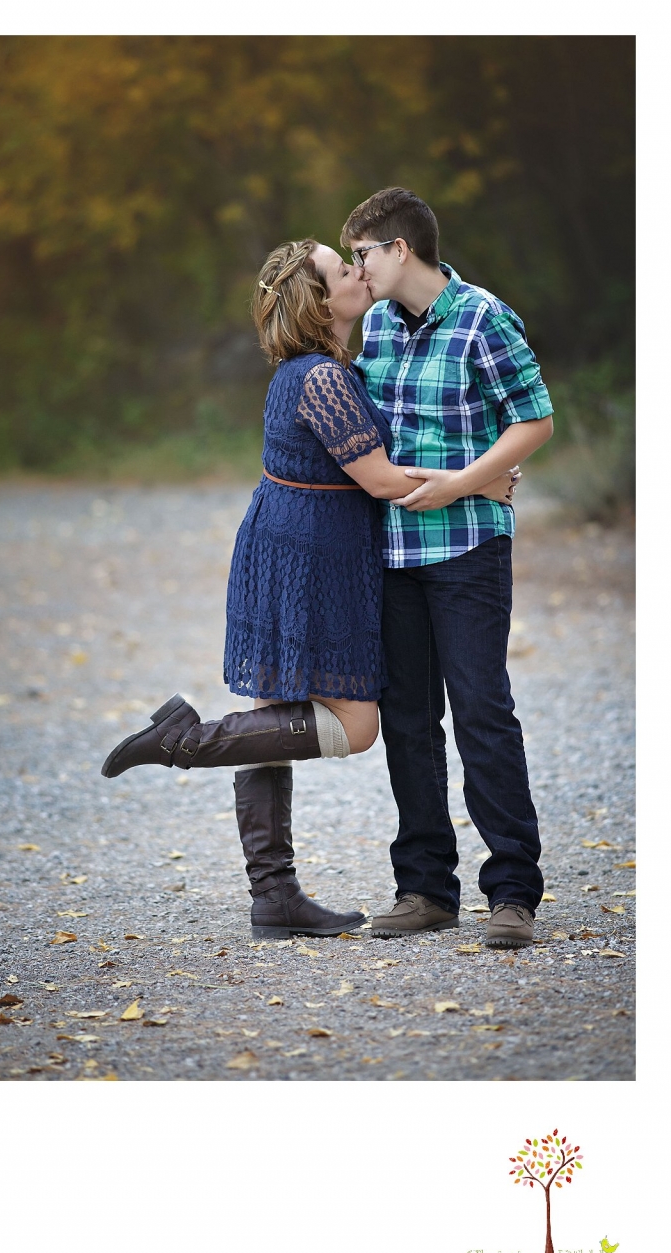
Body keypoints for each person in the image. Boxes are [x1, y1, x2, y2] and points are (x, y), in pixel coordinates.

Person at [101, 238, 518, 942]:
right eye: (342, 268)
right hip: (312, 557)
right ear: (321, 301)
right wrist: (485, 478)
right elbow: (385, 482)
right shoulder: (322, 378)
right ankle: (186, 740)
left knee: (275, 717)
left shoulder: (316, 370)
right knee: (355, 726)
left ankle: (274, 896)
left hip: (286, 542)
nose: (358, 272)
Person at [339, 187, 554, 948]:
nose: (357, 270)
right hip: (391, 553)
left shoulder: (484, 318)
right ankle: (426, 888)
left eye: (362, 254)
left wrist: (470, 480)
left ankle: (513, 893)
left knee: (482, 710)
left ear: (399, 249)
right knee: (407, 720)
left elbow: (535, 416)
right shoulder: (374, 332)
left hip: (467, 547)